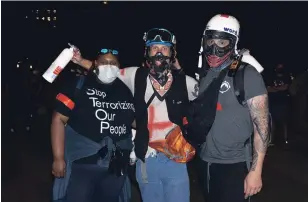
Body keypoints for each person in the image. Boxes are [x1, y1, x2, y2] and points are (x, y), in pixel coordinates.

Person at [72, 28, 198, 202]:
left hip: (176, 159)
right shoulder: (135, 75)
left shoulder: (187, 83)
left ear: (172, 53)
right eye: (154, 48)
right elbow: (106, 71)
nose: (159, 52)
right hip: (146, 159)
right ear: (146, 52)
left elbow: (211, 103)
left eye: (164, 48)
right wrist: (79, 60)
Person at [189, 14, 269, 202]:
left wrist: (255, 172)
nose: (214, 48)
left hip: (235, 165)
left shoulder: (248, 75)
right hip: (206, 161)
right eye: (211, 41)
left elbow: (262, 127)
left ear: (233, 43)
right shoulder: (206, 76)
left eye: (222, 42)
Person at [51, 49, 135, 202]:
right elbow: (58, 119)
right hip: (82, 164)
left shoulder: (125, 90)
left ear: (119, 67)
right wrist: (58, 157)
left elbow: (134, 121)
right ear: (95, 64)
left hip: (116, 168)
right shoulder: (78, 84)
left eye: (113, 63)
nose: (109, 66)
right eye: (104, 62)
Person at [266, 64, 292, 144]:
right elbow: (268, 89)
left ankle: (286, 139)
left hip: (283, 102)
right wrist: (279, 89)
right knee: (272, 121)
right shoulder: (271, 77)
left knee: (284, 121)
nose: (279, 67)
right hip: (273, 102)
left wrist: (275, 89)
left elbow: (285, 87)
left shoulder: (286, 76)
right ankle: (271, 140)